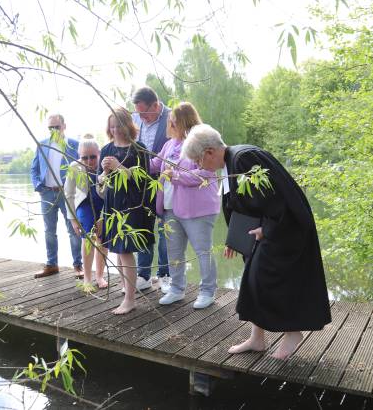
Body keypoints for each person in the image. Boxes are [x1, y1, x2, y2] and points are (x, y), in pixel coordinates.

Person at [181, 124, 332, 360]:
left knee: (265, 279)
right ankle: (257, 338)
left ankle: (292, 332)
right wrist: (236, 239)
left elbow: (277, 198)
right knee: (252, 281)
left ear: (209, 151)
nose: (200, 166)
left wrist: (267, 228)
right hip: (267, 231)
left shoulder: (244, 159)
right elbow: (242, 205)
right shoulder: (232, 163)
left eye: (199, 160)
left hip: (286, 228)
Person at [150, 103, 220, 309]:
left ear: (183, 120)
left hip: (198, 209)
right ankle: (177, 289)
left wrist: (177, 176)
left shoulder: (201, 141)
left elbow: (207, 173)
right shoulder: (169, 144)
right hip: (170, 208)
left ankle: (208, 291)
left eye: (173, 119)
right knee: (174, 252)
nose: (169, 123)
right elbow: (155, 164)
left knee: (203, 251)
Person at [98, 107, 156, 314]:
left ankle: (130, 299)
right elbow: (100, 183)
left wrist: (119, 168)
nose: (115, 131)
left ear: (128, 126)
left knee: (125, 250)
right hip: (112, 205)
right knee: (117, 250)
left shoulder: (138, 148)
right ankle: (126, 289)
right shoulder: (105, 150)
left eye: (119, 126)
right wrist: (104, 173)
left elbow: (144, 180)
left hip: (131, 205)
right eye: (112, 127)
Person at [30, 114, 82, 278]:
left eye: (56, 127)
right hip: (47, 193)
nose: (53, 130)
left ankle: (78, 266)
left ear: (64, 126)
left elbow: (82, 167)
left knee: (73, 230)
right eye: (50, 127)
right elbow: (34, 169)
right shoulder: (42, 145)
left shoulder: (73, 145)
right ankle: (52, 265)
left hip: (67, 194)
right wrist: (38, 186)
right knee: (49, 231)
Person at [132, 86, 170, 292]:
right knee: (143, 228)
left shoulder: (172, 117)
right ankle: (143, 274)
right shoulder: (135, 119)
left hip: (165, 181)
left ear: (156, 105)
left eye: (144, 113)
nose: (141, 118)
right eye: (138, 114)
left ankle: (165, 275)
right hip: (140, 183)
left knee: (165, 229)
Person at [64, 134, 108, 288]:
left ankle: (100, 276)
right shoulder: (74, 167)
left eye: (93, 157)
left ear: (99, 153)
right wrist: (73, 220)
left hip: (103, 203)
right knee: (87, 237)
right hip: (84, 204)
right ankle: (87, 277)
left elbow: (110, 193)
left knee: (103, 238)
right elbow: (68, 195)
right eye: (84, 158)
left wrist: (103, 217)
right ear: (79, 157)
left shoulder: (106, 166)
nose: (89, 161)